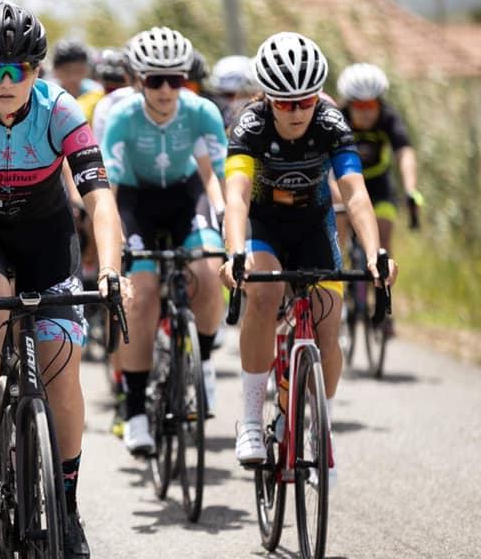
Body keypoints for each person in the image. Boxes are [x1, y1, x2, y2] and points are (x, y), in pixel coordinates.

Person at [0, 1, 132, 558]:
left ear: (37, 71)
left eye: (18, 69)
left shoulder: (60, 110)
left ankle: (67, 507)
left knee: (62, 372)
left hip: (46, 238)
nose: (6, 81)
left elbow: (100, 198)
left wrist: (111, 268)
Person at [219, 33, 398, 480]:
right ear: (267, 98)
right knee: (264, 295)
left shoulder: (331, 121)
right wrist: (235, 251)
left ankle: (321, 431)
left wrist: (375, 252)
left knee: (328, 320)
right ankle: (252, 421)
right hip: (263, 224)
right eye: (285, 103)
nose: (297, 111)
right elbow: (236, 196)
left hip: (314, 223)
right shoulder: (250, 125)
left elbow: (355, 194)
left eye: (306, 100)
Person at [101, 27, 227, 455]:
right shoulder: (121, 118)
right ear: (138, 80)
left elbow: (214, 176)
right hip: (137, 201)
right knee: (140, 296)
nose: (167, 90)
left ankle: (203, 360)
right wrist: (112, 240)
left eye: (176, 79)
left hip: (186, 196)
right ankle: (136, 410)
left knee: (208, 270)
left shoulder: (202, 111)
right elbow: (109, 190)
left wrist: (223, 216)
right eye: (156, 80)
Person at [336, 63, 421, 253]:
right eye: (359, 105)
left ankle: (381, 272)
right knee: (337, 237)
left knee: (381, 238)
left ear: (379, 103)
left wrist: (410, 190)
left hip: (379, 186)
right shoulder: (337, 119)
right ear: (348, 103)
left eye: (371, 105)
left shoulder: (388, 118)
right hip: (344, 186)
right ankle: (338, 267)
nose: (366, 112)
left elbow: (404, 152)